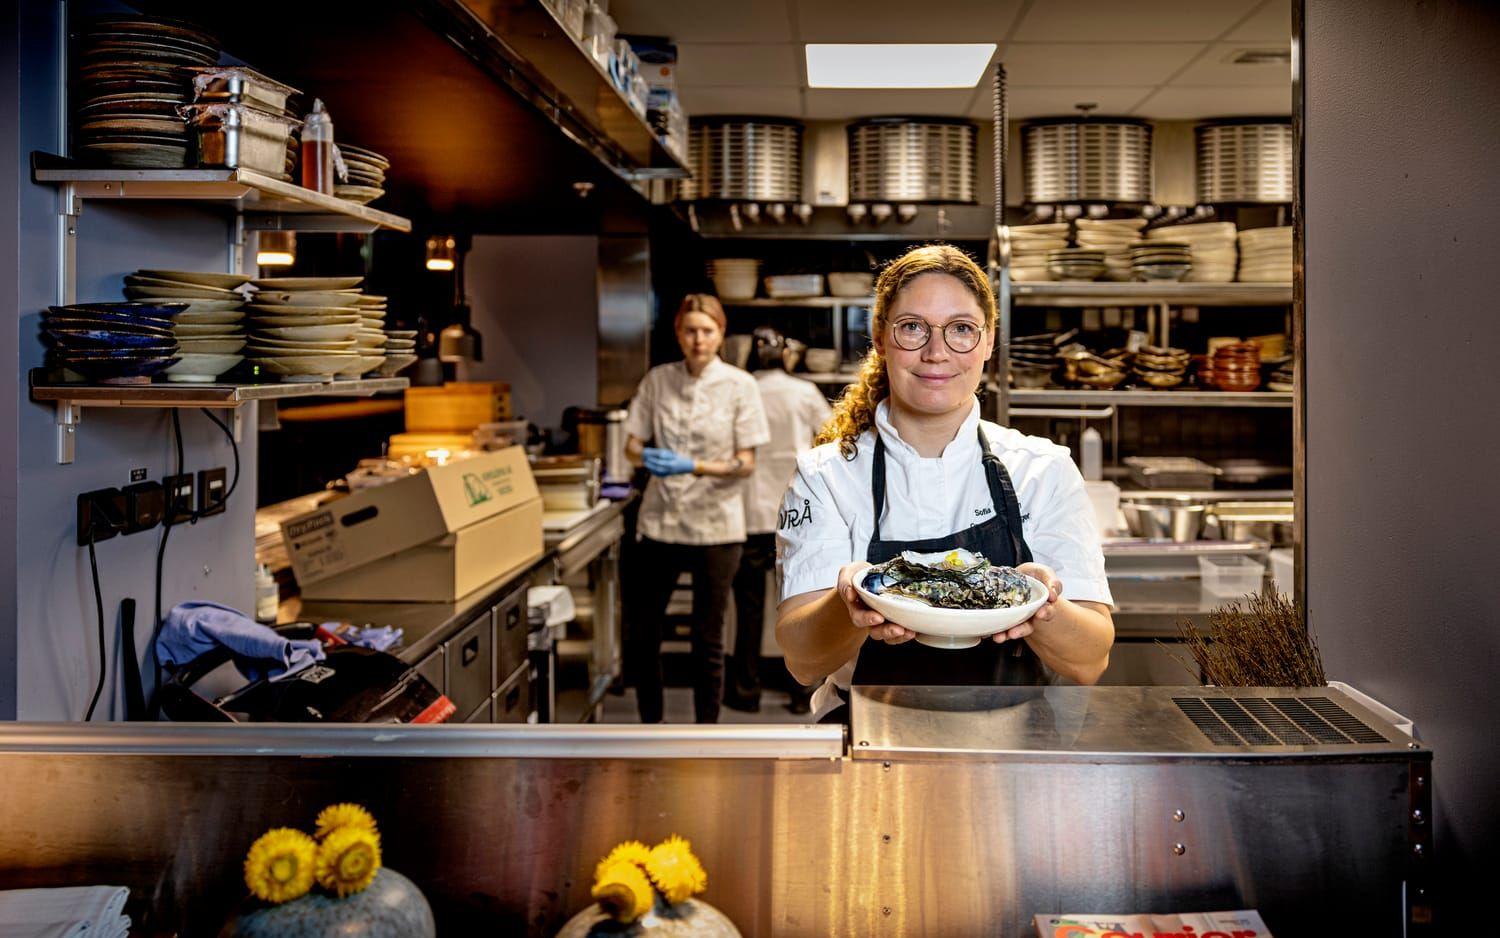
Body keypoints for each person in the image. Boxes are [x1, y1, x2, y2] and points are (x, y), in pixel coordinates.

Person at [774, 245, 1114, 720]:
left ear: (989, 341)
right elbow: (803, 661)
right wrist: (848, 602)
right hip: (868, 741)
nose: (936, 353)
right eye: (912, 327)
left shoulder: (1043, 467)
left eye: (961, 330)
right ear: (880, 337)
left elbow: (1089, 661)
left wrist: (1041, 607)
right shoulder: (826, 474)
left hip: (1013, 742)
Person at [624, 294, 771, 723]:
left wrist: (695, 466)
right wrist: (643, 456)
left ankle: (706, 734)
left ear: (721, 334)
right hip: (660, 522)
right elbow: (633, 441)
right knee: (644, 632)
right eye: (690, 331)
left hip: (716, 528)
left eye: (707, 331)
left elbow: (746, 463)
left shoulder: (740, 385)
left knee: (707, 638)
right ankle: (650, 727)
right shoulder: (658, 380)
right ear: (678, 333)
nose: (698, 339)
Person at [724, 326, 834, 715]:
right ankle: (799, 691)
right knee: (800, 602)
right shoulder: (802, 391)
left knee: (749, 605)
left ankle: (744, 690)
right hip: (796, 512)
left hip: (750, 511)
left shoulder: (739, 387)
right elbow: (833, 435)